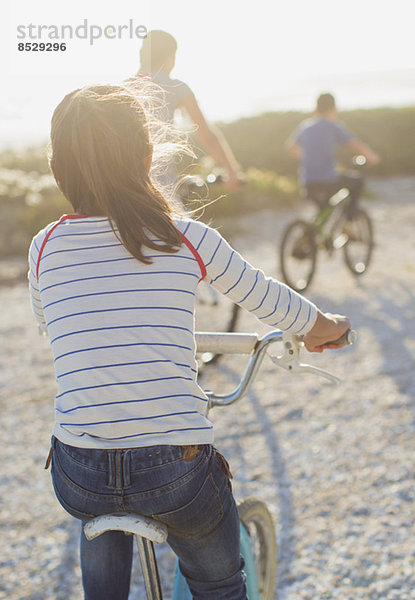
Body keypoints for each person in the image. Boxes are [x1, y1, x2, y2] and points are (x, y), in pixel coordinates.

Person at [28, 83, 350, 600]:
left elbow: (55, 325)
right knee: (220, 583)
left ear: (57, 164)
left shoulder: (43, 246)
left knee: (99, 507)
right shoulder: (187, 238)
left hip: (77, 470)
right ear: (148, 157)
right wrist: (327, 327)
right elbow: (273, 301)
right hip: (171, 472)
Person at [129, 29, 242, 193]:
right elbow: (207, 135)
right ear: (171, 57)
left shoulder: (122, 89)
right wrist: (231, 172)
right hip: (160, 185)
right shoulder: (176, 87)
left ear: (142, 55)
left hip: (122, 188)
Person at [286, 92, 380, 220]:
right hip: (328, 179)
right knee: (357, 181)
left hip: (307, 180)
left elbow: (290, 148)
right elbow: (355, 144)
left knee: (323, 212)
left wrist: (309, 157)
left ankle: (313, 235)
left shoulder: (306, 127)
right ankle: (349, 222)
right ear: (333, 109)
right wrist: (372, 157)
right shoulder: (333, 126)